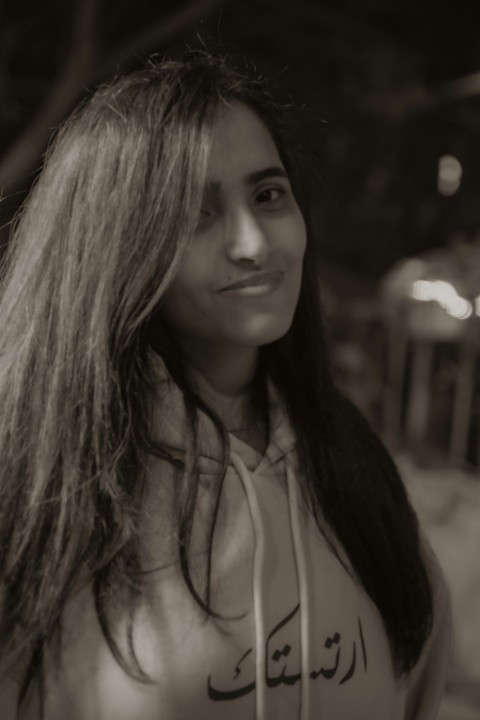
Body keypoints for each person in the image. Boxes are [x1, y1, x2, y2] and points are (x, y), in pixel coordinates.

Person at [0, 51, 450, 719]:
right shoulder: (50, 488)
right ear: (118, 247)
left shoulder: (353, 470)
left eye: (268, 195)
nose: (253, 243)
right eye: (195, 213)